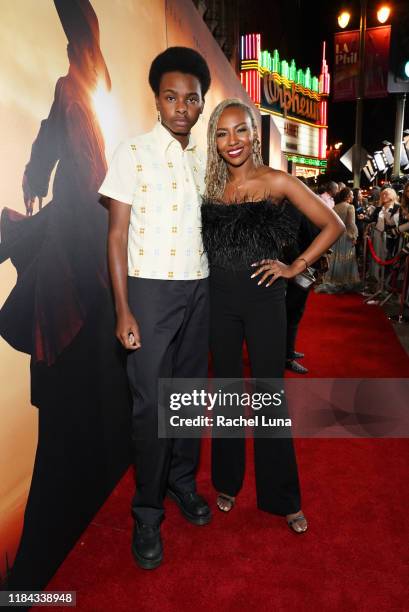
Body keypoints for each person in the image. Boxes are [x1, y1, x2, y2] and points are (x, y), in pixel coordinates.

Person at [201, 99, 344, 532]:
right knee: (225, 394)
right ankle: (227, 482)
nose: (232, 142)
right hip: (218, 302)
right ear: (215, 141)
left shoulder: (278, 181)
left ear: (254, 134)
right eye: (223, 134)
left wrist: (295, 266)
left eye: (240, 130)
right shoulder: (210, 188)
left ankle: (282, 497)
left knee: (268, 398)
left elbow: (333, 224)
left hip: (265, 301)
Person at [99, 47, 212, 570]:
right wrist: (123, 310)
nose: (182, 106)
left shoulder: (204, 160)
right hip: (148, 292)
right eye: (172, 97)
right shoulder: (133, 152)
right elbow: (116, 236)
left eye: (191, 98)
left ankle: (181, 483)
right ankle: (146, 512)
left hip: (199, 291)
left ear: (201, 104)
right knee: (152, 408)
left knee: (189, 398)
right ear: (157, 101)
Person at [316, 187, 361, 293]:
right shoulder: (350, 207)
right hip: (346, 236)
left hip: (336, 235)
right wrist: (354, 236)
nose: (353, 196)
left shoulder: (335, 207)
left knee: (335, 257)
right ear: (348, 196)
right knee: (347, 257)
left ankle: (335, 279)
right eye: (352, 195)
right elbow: (351, 224)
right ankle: (344, 281)